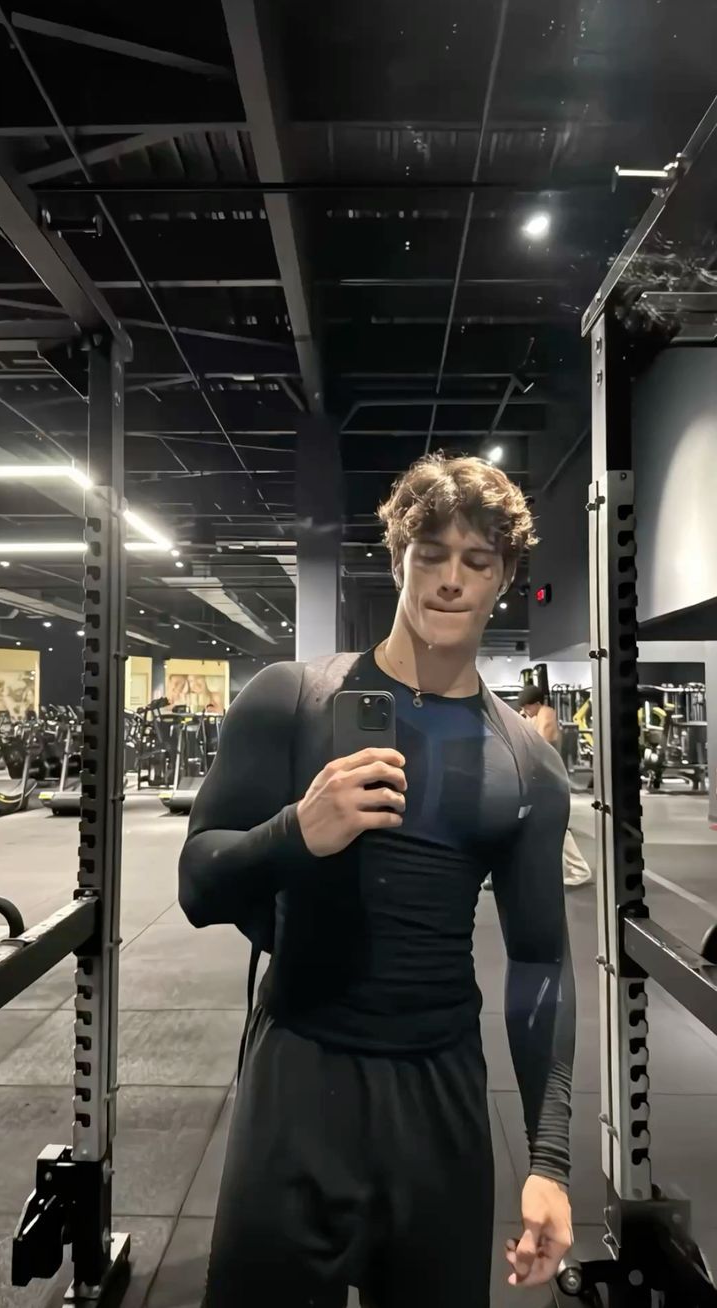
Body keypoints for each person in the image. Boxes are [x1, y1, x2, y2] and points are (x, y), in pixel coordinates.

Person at [179, 453, 575, 1308]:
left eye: (477, 560)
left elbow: (541, 962)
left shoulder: (529, 765)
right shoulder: (290, 699)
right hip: (299, 1078)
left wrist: (548, 1160)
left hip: (440, 1098)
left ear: (504, 577)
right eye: (431, 553)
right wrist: (297, 830)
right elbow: (199, 885)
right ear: (398, 558)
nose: (451, 579)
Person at [518, 685, 592, 888]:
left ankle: (579, 869)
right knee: (534, 825)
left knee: (554, 825)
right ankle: (533, 869)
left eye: (526, 707)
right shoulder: (534, 716)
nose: (524, 711)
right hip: (541, 779)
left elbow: (538, 745)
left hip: (549, 781)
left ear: (536, 704)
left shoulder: (546, 715)